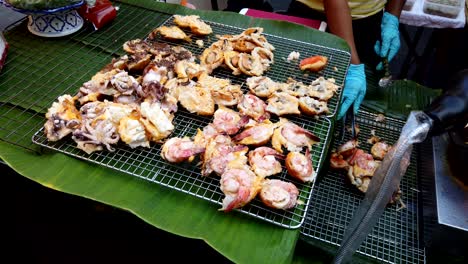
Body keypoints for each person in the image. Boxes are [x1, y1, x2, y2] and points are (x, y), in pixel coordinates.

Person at [287, 0, 406, 119]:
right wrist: (353, 64)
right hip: (318, 16)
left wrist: (392, 17)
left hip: (371, 18)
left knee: (362, 96)